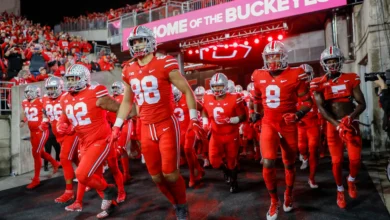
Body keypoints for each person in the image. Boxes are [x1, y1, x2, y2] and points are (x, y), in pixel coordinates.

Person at [111, 25, 204, 220]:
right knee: (156, 177)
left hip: (166, 124)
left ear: (151, 41)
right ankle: (175, 202)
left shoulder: (165, 62)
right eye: (134, 42)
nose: (137, 46)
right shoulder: (128, 68)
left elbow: (187, 91)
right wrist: (117, 126)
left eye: (141, 40)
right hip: (145, 127)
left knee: (170, 174)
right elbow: (127, 101)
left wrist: (194, 118)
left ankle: (182, 205)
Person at [251, 41, 312, 220]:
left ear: (283, 56)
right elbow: (255, 96)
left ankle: (289, 193)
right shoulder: (258, 74)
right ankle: (273, 200)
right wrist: (255, 112)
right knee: (268, 162)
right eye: (269, 57)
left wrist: (297, 115)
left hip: (288, 124)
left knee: (289, 163)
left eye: (276, 56)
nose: (272, 60)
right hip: (269, 122)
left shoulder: (296, 74)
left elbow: (308, 103)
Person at [57, 64, 121, 218]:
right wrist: (61, 125)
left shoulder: (96, 91)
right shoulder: (65, 98)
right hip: (84, 142)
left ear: (85, 79)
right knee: (93, 176)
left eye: (75, 78)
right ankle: (111, 204)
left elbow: (118, 108)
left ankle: (109, 190)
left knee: (82, 173)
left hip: (100, 139)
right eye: (69, 79)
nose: (71, 82)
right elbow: (64, 118)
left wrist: (117, 128)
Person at [311, 46, 366, 209]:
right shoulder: (318, 83)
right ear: (323, 63)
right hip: (333, 126)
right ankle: (340, 190)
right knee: (336, 161)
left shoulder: (350, 78)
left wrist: (350, 117)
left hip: (350, 123)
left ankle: (351, 180)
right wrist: (337, 125)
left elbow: (362, 104)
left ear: (340, 61)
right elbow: (322, 109)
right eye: (329, 61)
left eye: (335, 60)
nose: (332, 64)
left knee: (355, 159)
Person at [202, 73, 246, 193]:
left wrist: (234, 120)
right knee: (214, 161)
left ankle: (233, 181)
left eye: (220, 86)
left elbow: (243, 116)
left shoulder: (235, 97)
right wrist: (205, 123)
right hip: (216, 135)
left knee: (232, 160)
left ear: (225, 86)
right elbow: (204, 111)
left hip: (231, 134)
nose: (217, 89)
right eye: (215, 86)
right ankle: (226, 171)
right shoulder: (207, 97)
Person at [42, 76, 79, 203]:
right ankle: (89, 178)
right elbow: (46, 114)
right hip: (58, 134)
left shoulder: (67, 97)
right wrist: (44, 122)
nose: (51, 91)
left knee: (64, 158)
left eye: (53, 88)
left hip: (70, 133)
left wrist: (72, 126)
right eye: (49, 88)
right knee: (74, 158)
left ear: (60, 87)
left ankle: (69, 191)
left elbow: (77, 113)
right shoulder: (45, 99)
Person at [20, 85, 60, 189]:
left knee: (36, 153)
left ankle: (36, 179)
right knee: (40, 152)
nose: (28, 93)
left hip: (41, 131)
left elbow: (47, 114)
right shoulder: (24, 102)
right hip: (32, 131)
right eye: (27, 91)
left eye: (30, 91)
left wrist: (45, 123)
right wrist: (23, 121)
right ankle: (55, 162)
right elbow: (25, 113)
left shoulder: (41, 101)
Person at [172, 85, 204, 188]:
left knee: (187, 149)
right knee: (184, 152)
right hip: (178, 131)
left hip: (190, 128)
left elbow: (201, 108)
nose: (173, 98)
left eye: (175, 95)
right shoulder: (167, 102)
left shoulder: (187, 97)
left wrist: (203, 122)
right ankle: (198, 169)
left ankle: (192, 175)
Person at [297, 64, 319, 189]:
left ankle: (312, 178)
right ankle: (304, 157)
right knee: (301, 147)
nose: (305, 79)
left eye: (307, 75)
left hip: (313, 123)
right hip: (301, 123)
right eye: (303, 76)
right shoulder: (295, 91)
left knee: (313, 149)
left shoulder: (315, 88)